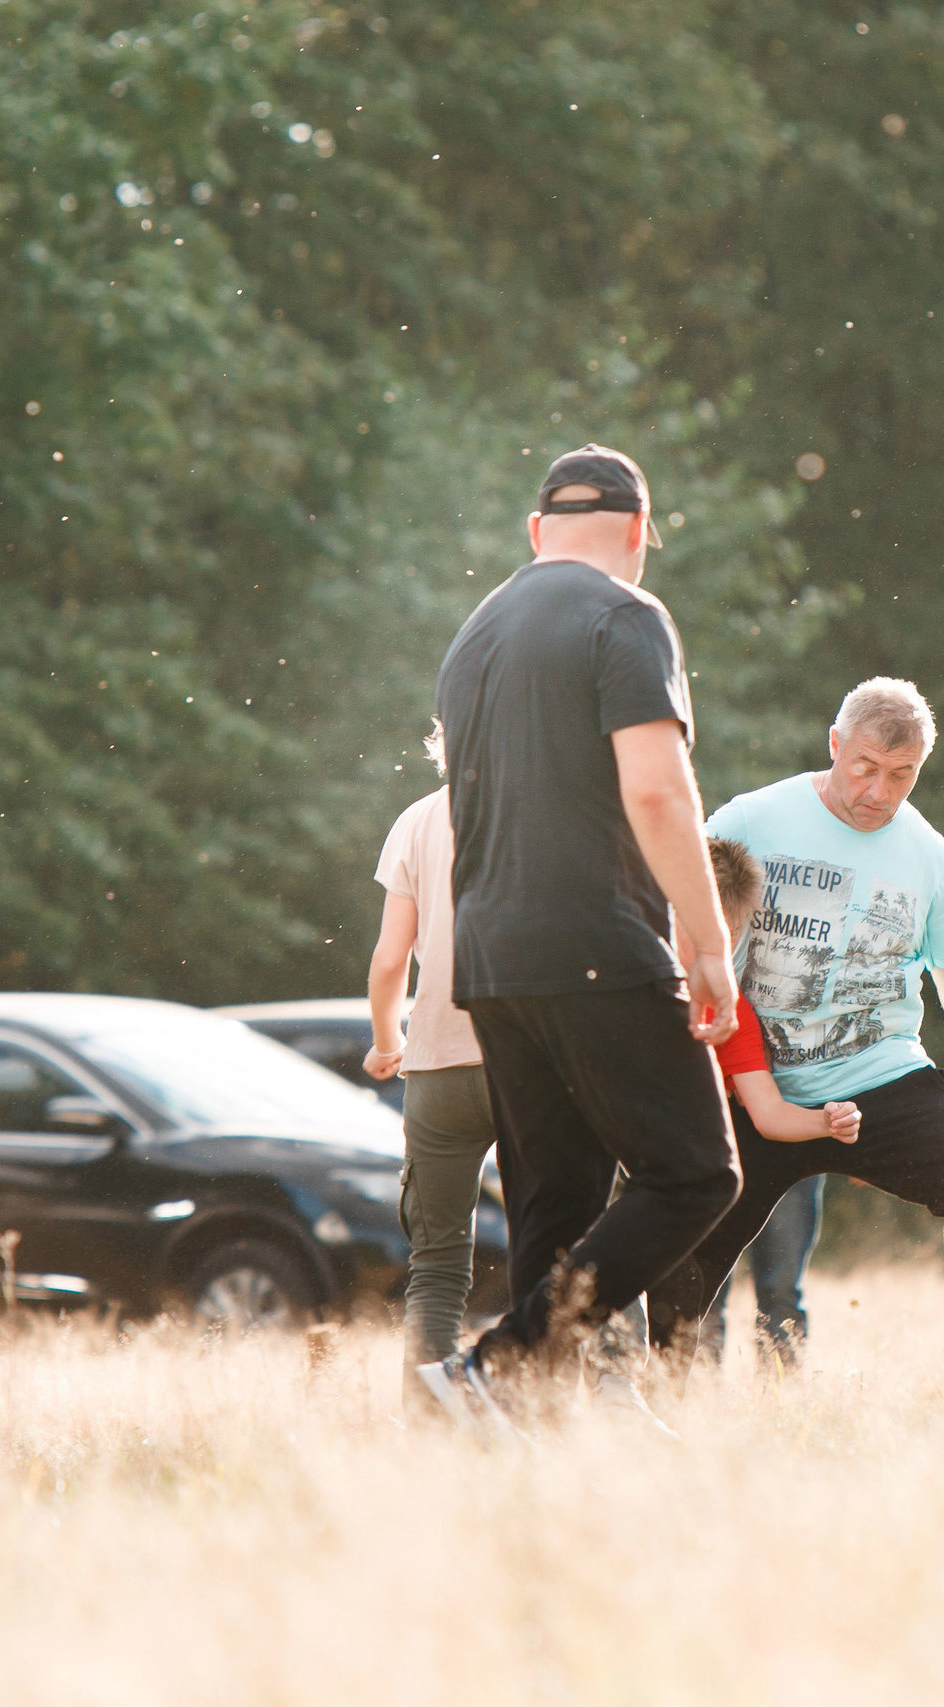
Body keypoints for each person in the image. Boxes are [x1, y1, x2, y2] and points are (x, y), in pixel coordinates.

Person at [421, 444, 743, 1421]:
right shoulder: (626, 614)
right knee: (695, 1173)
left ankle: (534, 1433)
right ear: (640, 532)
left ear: (535, 533)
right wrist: (707, 941)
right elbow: (655, 788)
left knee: (550, 1213)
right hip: (597, 942)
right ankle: (500, 1366)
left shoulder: (473, 634)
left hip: (488, 958)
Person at [654, 677, 944, 1395]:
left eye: (902, 775)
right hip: (755, 1079)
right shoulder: (753, 818)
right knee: (678, 1247)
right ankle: (644, 1390)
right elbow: (676, 930)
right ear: (835, 745)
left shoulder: (930, 858)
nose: (880, 791)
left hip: (879, 1074)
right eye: (865, 767)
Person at [688, 839, 858, 1365]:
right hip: (693, 1166)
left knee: (781, 1292)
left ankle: (779, 1406)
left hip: (777, 1144)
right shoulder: (634, 991)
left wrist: (832, 1125)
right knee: (698, 1293)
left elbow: (770, 1110)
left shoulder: (736, 1007)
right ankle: (682, 1403)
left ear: (736, 931)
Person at [362, 723, 497, 1382]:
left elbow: (390, 960)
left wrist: (389, 1042)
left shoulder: (416, 821)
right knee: (565, 1239)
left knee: (438, 1262)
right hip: (524, 1060)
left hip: (436, 1060)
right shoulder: (534, 813)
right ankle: (566, 1394)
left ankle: (428, 1405)